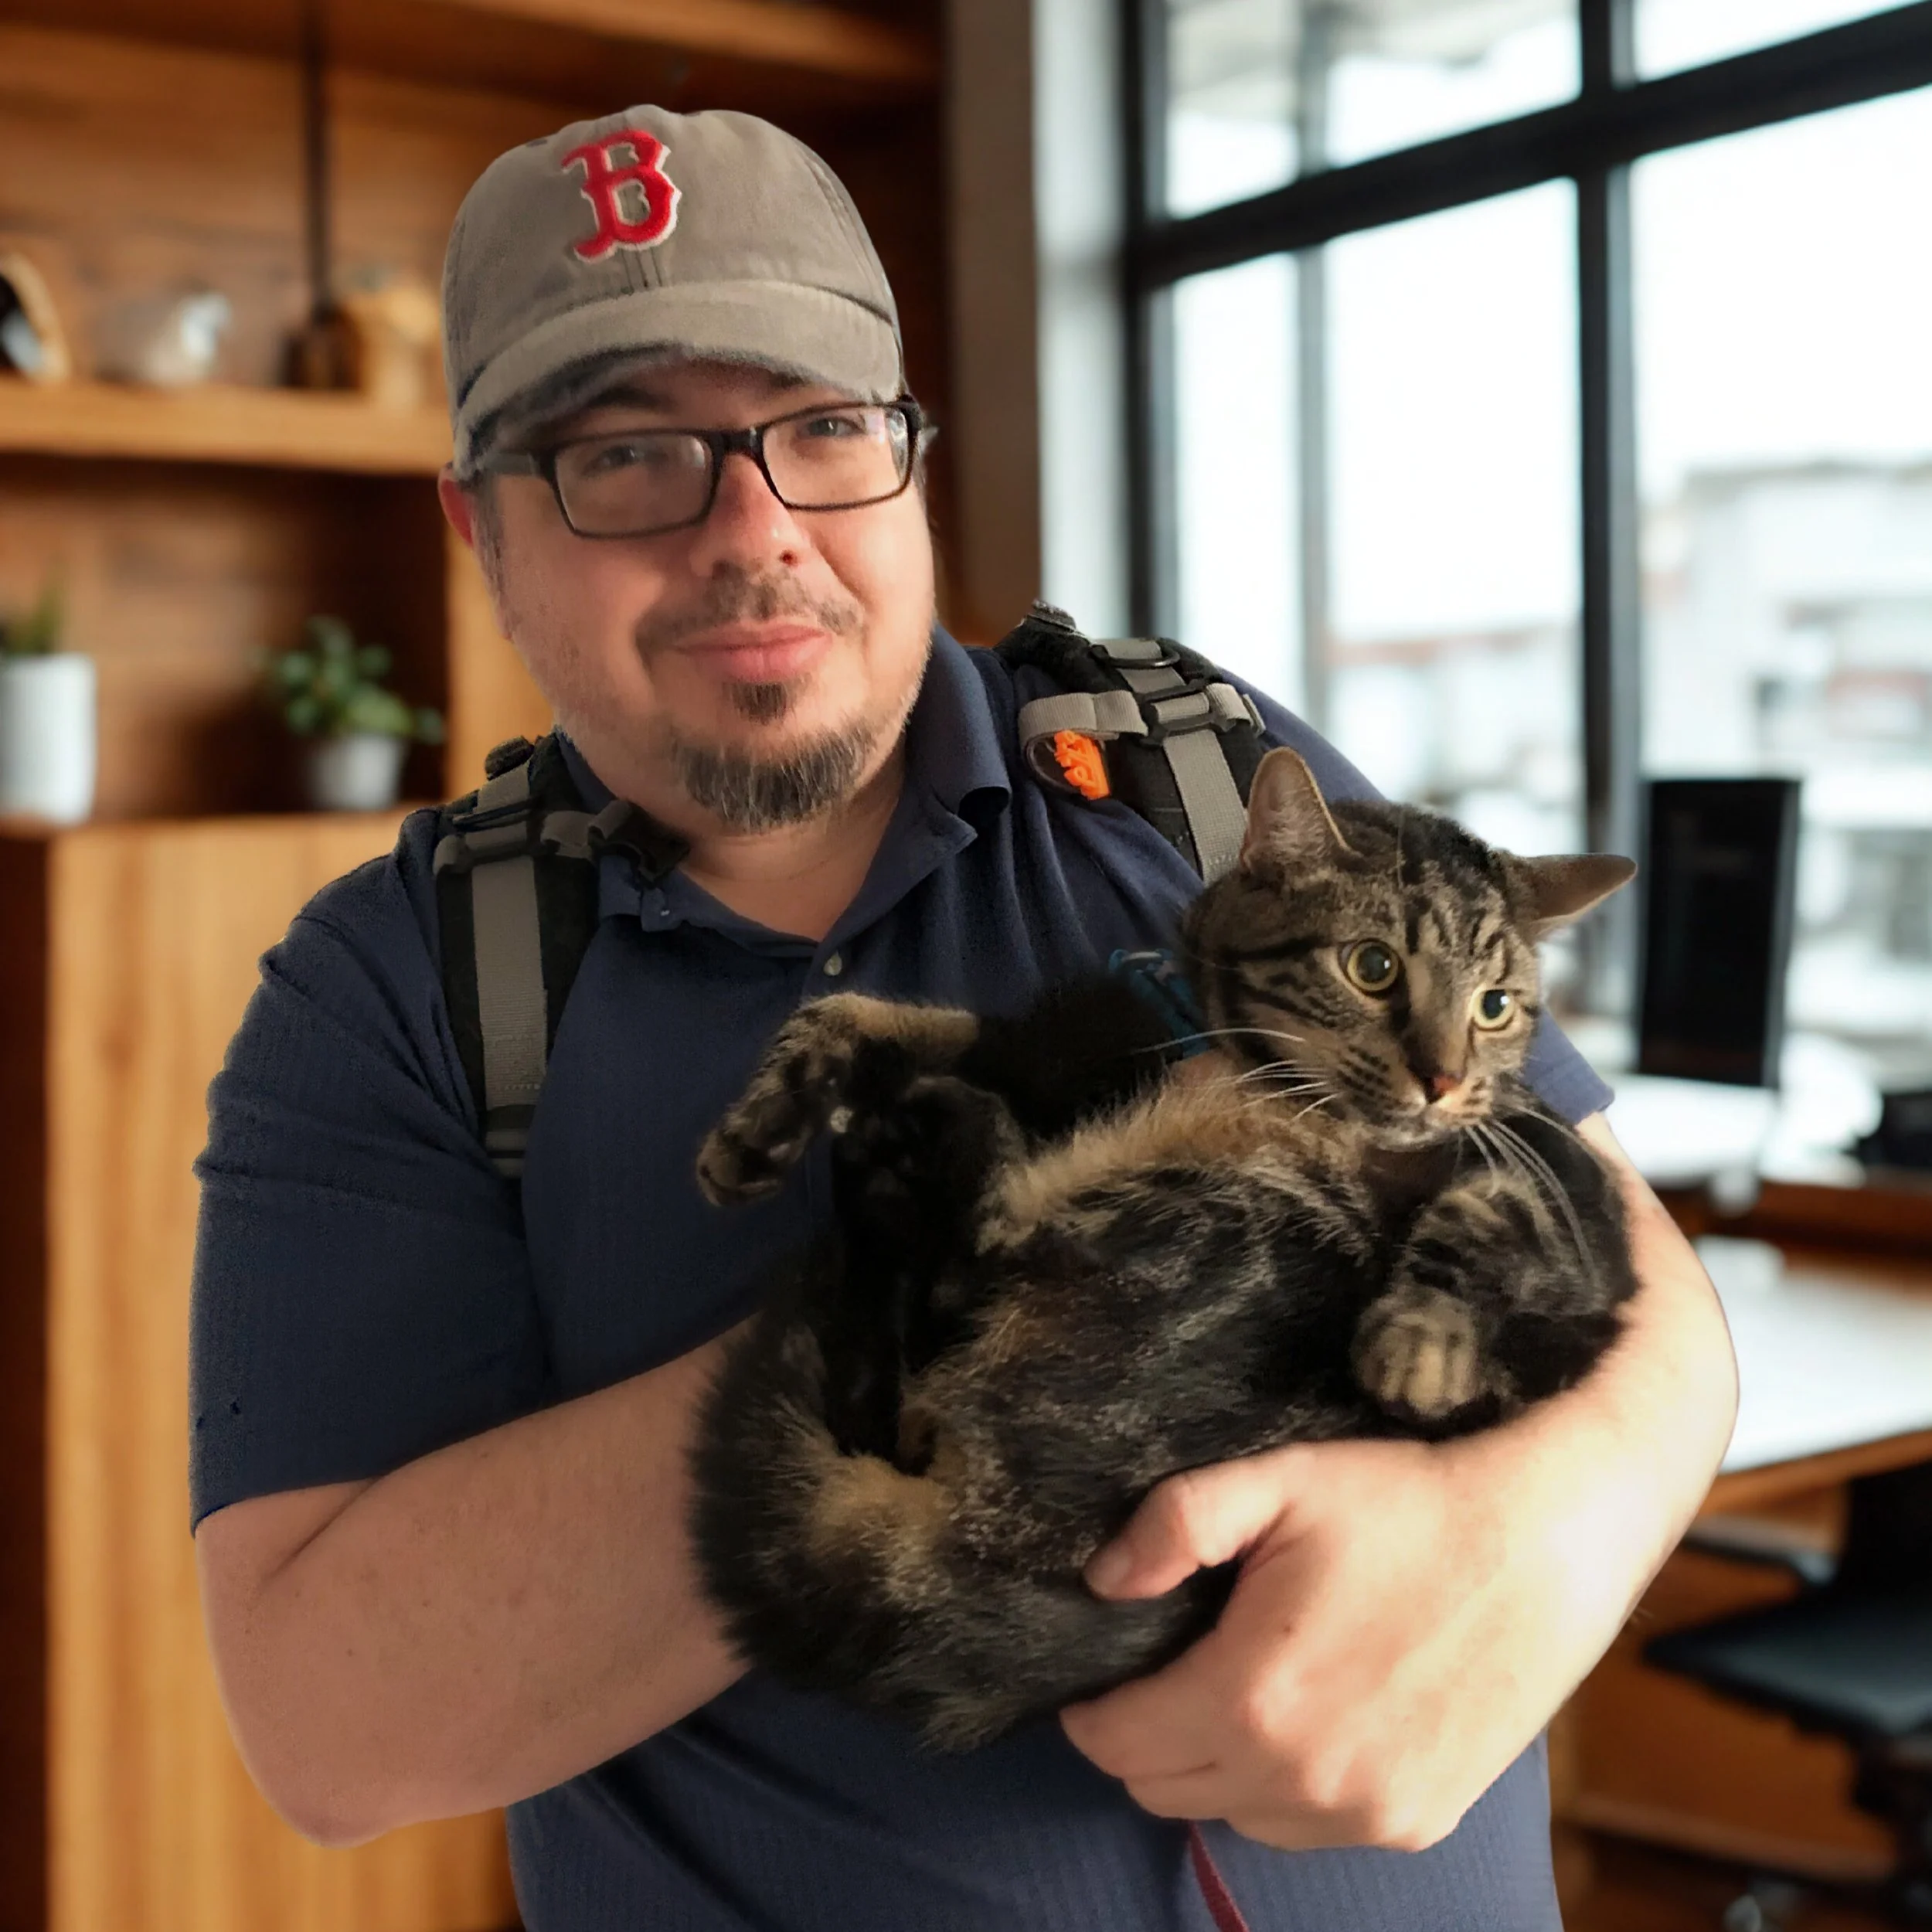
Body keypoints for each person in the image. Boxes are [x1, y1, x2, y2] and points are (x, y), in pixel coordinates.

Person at [189, 105, 1737, 1931]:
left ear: (909, 454)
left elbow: (1649, 1296)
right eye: (628, 456)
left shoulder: (1191, 768)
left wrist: (1539, 1526)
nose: (752, 533)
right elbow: (328, 1724)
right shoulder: (398, 991)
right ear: (480, 525)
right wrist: (1014, 1297)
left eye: (821, 429)